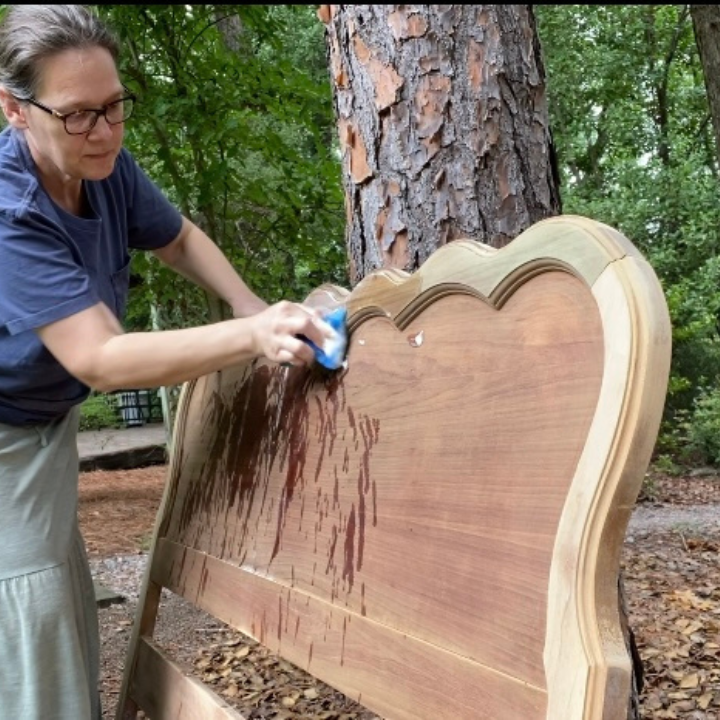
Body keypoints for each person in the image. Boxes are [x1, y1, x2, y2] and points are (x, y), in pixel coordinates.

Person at [0, 5, 334, 719]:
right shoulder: (9, 209)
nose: (106, 131)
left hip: (40, 424)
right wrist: (252, 338)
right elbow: (100, 358)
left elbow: (177, 238)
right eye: (79, 115)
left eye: (116, 106)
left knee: (65, 607)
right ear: (15, 110)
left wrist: (250, 307)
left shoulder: (101, 163)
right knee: (35, 626)